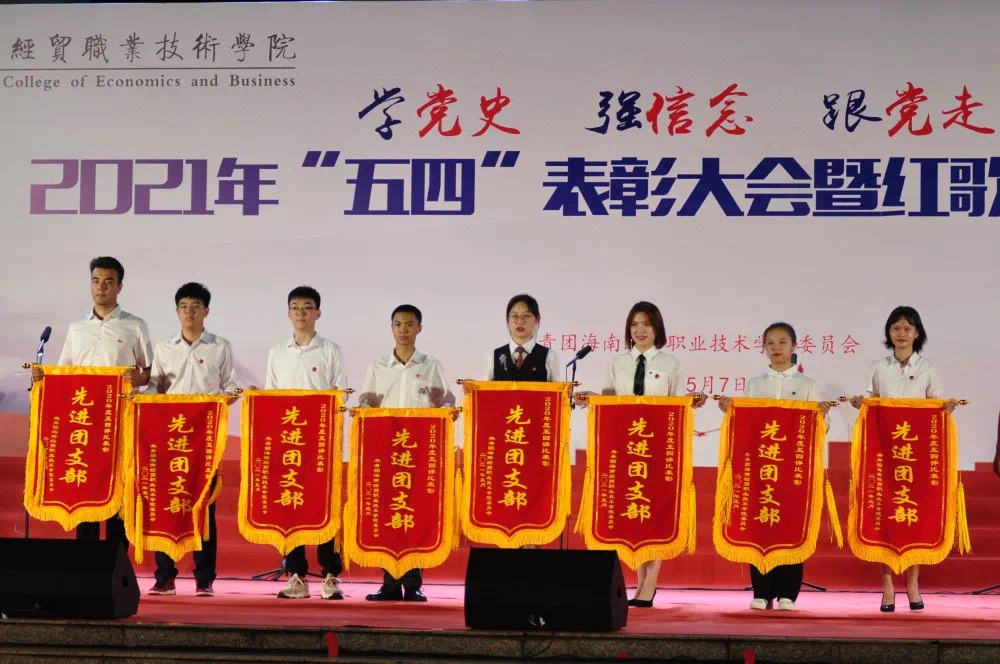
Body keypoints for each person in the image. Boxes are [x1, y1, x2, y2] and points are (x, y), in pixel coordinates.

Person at [575, 301, 706, 607]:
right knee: (634, 509)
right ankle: (639, 579)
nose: (640, 330)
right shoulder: (617, 363)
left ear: (657, 328)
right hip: (625, 447)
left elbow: (677, 404)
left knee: (657, 510)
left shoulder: (671, 364)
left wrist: (691, 401)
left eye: (646, 324)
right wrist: (593, 399)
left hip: (658, 449)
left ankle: (651, 581)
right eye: (634, 324)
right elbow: (610, 402)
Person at [33, 256, 152, 546]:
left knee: (117, 489)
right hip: (83, 422)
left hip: (118, 422)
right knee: (84, 486)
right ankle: (84, 559)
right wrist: (42, 377)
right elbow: (65, 373)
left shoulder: (134, 325)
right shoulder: (77, 328)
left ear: (119, 287)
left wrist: (136, 377)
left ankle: (116, 559)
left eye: (108, 282)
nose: (101, 287)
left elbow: (149, 373)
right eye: (96, 281)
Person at [849, 306, 955, 613]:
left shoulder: (928, 368)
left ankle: (913, 585)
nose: (901, 333)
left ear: (917, 333)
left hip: (915, 455)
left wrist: (946, 407)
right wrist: (860, 402)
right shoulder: (878, 367)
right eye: (896, 328)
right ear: (889, 332)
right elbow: (870, 400)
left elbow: (936, 403)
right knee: (884, 515)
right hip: (884, 453)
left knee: (913, 517)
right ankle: (887, 587)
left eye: (908, 328)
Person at [717, 321, 830, 611]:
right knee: (760, 524)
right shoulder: (756, 384)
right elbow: (746, 425)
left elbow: (821, 428)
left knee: (791, 525)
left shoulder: (806, 385)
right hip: (762, 467)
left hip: (793, 469)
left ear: (794, 346)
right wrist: (730, 411)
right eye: (770, 343)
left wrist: (821, 415)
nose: (776, 348)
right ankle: (762, 590)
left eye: (782, 343)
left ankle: (788, 593)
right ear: (764, 348)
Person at [147, 282, 239, 597]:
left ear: (206, 311)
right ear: (177, 311)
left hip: (204, 436)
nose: (189, 312)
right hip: (170, 436)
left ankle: (204, 578)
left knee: (203, 506)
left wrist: (226, 398)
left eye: (196, 306)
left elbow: (231, 386)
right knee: (167, 504)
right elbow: (155, 387)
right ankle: (164, 576)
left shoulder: (220, 346)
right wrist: (145, 395)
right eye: (184, 306)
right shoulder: (164, 347)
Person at [358, 304, 455, 602]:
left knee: (416, 512)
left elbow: (446, 402)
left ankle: (413, 583)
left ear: (419, 329)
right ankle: (389, 582)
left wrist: (448, 411)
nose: (403, 330)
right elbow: (367, 403)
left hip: (419, 452)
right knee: (388, 511)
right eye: (398, 324)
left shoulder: (431, 366)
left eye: (409, 324)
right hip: (386, 450)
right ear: (391, 328)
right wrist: (360, 411)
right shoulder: (378, 367)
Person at [265, 286, 347, 600]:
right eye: (296, 307)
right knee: (292, 505)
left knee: (325, 504)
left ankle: (330, 575)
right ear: (288, 314)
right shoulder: (277, 352)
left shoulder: (330, 350)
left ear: (318, 313)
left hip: (321, 441)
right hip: (289, 442)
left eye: (307, 307)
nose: (301, 312)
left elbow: (340, 393)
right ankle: (297, 575)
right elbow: (271, 397)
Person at [485, 294, 560, 381]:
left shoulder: (549, 357)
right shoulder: (494, 356)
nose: (520, 321)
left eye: (526, 316)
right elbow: (485, 388)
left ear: (536, 320)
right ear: (508, 320)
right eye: (515, 316)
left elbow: (558, 389)